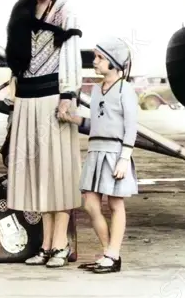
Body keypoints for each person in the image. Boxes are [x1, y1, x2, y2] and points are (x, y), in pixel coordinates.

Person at [4, 0, 83, 268]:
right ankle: (45, 245)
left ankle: (61, 244)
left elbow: (72, 53)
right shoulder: (22, 10)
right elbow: (16, 56)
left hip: (54, 96)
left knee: (58, 172)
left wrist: (68, 93)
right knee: (37, 173)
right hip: (26, 98)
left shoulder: (66, 10)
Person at [75, 38, 138, 274]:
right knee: (91, 204)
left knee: (115, 203)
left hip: (115, 152)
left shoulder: (126, 89)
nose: (95, 62)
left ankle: (112, 254)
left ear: (114, 62)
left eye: (100, 58)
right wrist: (74, 120)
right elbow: (96, 123)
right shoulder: (95, 90)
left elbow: (131, 126)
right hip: (95, 151)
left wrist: (124, 158)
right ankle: (108, 252)